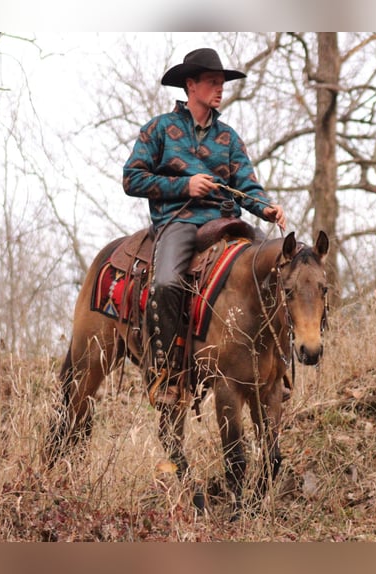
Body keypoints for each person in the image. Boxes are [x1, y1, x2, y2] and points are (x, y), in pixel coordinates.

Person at [123, 47, 287, 407]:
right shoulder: (159, 129)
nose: (220, 89)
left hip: (225, 221)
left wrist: (266, 209)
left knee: (276, 268)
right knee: (165, 283)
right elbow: (131, 179)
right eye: (213, 82)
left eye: (221, 83)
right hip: (178, 222)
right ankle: (166, 375)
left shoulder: (229, 137)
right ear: (191, 84)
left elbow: (246, 185)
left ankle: (280, 368)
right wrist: (185, 186)